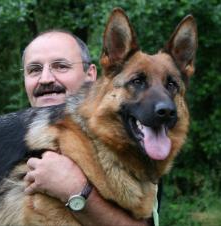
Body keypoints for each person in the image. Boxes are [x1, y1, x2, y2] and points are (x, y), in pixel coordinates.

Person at [22, 30, 156, 226]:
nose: (45, 79)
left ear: (90, 75)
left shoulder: (129, 138)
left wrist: (76, 190)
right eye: (34, 69)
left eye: (60, 66)